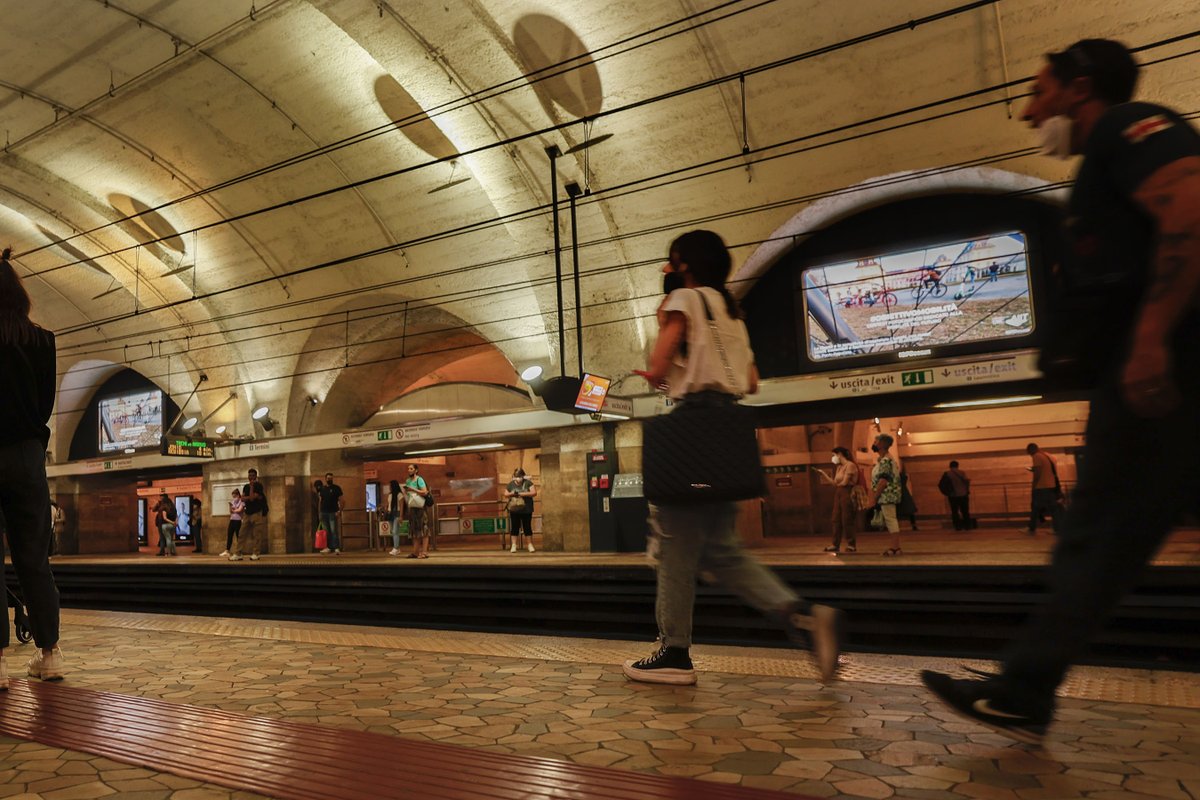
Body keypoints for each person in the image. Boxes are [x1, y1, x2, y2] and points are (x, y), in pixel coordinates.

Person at [922, 39, 1200, 745]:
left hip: (1169, 368)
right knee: (1106, 540)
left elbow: (1192, 204)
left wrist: (1151, 337)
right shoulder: (1106, 160)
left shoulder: (1125, 128)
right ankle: (1024, 690)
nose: (1027, 112)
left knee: (1097, 536)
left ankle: (1024, 691)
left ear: (1079, 89)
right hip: (1160, 368)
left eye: (1038, 92)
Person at [623, 230, 841, 685]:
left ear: (684, 264)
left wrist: (657, 363)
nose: (667, 268)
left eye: (671, 261)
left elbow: (659, 370)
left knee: (675, 549)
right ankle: (801, 614)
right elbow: (752, 381)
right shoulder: (733, 315)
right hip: (728, 433)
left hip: (692, 430)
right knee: (722, 550)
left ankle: (673, 653)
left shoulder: (682, 300)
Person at [0, 246, 65, 684]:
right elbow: (44, 405)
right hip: (26, 456)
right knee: (34, 560)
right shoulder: (43, 340)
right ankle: (50, 654)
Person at [870, 433, 903, 556]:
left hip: (887, 495)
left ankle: (895, 547)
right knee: (891, 519)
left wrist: (875, 497)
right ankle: (895, 547)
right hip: (888, 495)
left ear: (882, 444)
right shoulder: (885, 459)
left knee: (890, 520)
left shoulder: (886, 460)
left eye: (876, 441)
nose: (873, 444)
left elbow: (883, 481)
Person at [822, 447, 859, 554]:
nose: (833, 458)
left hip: (847, 492)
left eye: (834, 455)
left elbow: (845, 482)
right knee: (836, 518)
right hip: (838, 493)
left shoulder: (850, 465)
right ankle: (835, 544)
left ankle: (851, 544)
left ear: (839, 454)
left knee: (847, 519)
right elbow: (835, 483)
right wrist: (824, 474)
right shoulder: (839, 467)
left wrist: (838, 484)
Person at [1025, 443, 1063, 535]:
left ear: (1031, 450)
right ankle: (1057, 529)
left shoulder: (1036, 456)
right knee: (1054, 509)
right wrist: (1033, 469)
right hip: (1052, 485)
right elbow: (1047, 470)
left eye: (1029, 453)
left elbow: (1038, 473)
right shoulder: (1049, 456)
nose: (1030, 455)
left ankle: (1031, 528)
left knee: (1035, 507)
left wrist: (1034, 485)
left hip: (1041, 486)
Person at [504, 468, 537, 553]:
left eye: (520, 476)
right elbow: (506, 494)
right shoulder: (510, 484)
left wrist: (521, 494)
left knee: (527, 527)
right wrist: (512, 493)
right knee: (515, 527)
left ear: (523, 476)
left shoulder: (528, 483)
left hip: (526, 509)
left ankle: (530, 544)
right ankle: (514, 545)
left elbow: (534, 492)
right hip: (515, 509)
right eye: (517, 476)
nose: (518, 478)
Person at [237, 468, 267, 561]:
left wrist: (252, 487)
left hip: (257, 513)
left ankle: (256, 553)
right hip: (247, 513)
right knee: (241, 533)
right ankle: (238, 553)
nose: (251, 477)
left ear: (256, 476)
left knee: (257, 534)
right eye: (250, 475)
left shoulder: (259, 486)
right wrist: (249, 496)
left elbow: (252, 498)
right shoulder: (245, 486)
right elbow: (242, 498)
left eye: (253, 475)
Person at [403, 464, 430, 559]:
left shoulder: (419, 479)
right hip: (412, 507)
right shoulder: (408, 481)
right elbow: (407, 493)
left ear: (416, 470)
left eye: (411, 468)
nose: (409, 470)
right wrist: (407, 491)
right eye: (408, 468)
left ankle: (424, 552)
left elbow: (425, 492)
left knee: (424, 529)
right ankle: (415, 552)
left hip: (420, 507)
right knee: (414, 530)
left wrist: (412, 489)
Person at [939, 461, 974, 531]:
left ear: (950, 466)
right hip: (963, 494)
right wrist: (967, 489)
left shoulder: (947, 474)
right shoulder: (962, 472)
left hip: (953, 495)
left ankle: (957, 526)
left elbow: (941, 484)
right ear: (957, 466)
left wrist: (947, 492)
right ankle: (967, 525)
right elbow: (966, 481)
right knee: (965, 511)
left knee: (954, 511)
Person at [315, 472, 344, 554]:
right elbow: (320, 501)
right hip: (324, 513)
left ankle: (336, 547)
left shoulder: (336, 488)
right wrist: (319, 512)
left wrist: (339, 511)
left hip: (333, 512)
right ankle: (328, 547)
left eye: (331, 478)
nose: (329, 480)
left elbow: (342, 500)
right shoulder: (322, 489)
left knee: (333, 531)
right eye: (328, 478)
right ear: (325, 479)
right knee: (326, 532)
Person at [153, 492, 177, 557]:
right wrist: (174, 522)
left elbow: (164, 517)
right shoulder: (172, 506)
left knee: (165, 538)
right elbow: (153, 509)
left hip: (163, 524)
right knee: (171, 539)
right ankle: (173, 551)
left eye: (162, 498)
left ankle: (166, 552)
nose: (160, 499)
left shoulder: (163, 507)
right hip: (171, 524)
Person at [385, 479, 404, 555]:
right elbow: (388, 504)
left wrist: (401, 516)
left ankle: (395, 548)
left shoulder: (399, 494)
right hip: (390, 514)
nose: (389, 487)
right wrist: (386, 509)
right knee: (393, 531)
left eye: (390, 486)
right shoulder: (390, 495)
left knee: (395, 531)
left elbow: (402, 506)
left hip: (397, 513)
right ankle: (397, 548)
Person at [223, 489, 244, 559]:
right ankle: (227, 550)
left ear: (238, 495)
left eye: (235, 496)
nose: (234, 498)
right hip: (232, 520)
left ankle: (239, 551)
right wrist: (230, 507)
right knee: (229, 534)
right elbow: (231, 511)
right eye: (233, 497)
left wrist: (234, 510)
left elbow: (240, 510)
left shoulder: (242, 501)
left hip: (238, 520)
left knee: (238, 536)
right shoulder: (233, 501)